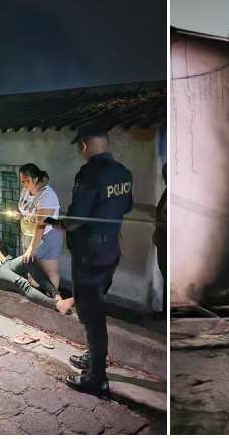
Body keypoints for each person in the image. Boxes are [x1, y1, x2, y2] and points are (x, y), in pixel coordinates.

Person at [52, 125, 133, 396]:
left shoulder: (89, 173)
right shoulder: (122, 172)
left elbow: (76, 219)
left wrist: (59, 224)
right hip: (110, 250)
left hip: (89, 256)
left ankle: (96, 378)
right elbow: (127, 206)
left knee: (92, 316)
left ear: (85, 145)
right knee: (96, 307)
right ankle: (94, 357)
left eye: (80, 146)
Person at [0, 200, 74, 312]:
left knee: (27, 260)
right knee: (22, 283)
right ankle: (57, 305)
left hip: (4, 261)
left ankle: (55, 294)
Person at [9, 164, 62, 297]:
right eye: (21, 180)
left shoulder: (47, 196)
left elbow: (41, 225)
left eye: (26, 180)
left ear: (35, 178)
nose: (23, 183)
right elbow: (26, 210)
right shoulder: (25, 191)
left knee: (48, 271)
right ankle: (39, 297)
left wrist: (31, 248)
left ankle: (53, 300)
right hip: (29, 235)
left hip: (45, 237)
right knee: (33, 271)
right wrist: (20, 215)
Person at [153, 163, 167, 314]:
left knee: (166, 275)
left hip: (166, 242)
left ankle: (165, 313)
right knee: (164, 276)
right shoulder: (166, 192)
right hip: (161, 241)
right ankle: (164, 312)